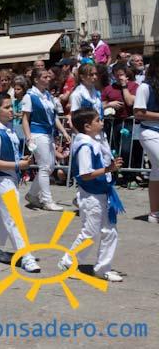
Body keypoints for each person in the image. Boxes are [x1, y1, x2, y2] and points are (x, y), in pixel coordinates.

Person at [58, 108, 124, 282]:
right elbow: (85, 174)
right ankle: (68, 262)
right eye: (98, 120)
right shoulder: (85, 146)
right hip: (91, 195)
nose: (101, 122)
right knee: (90, 232)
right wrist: (108, 169)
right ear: (87, 126)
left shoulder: (94, 141)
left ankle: (103, 268)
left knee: (110, 231)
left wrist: (110, 168)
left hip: (101, 191)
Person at [0, 94, 40, 273]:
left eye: (11, 107)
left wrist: (20, 160)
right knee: (13, 217)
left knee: (0, 215)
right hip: (0, 179)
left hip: (9, 177)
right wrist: (17, 165)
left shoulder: (9, 130)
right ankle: (26, 256)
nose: (11, 111)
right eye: (6, 107)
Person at [21, 68, 69, 211]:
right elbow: (25, 119)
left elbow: (54, 117)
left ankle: (32, 194)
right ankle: (47, 200)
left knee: (50, 167)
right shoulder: (29, 96)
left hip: (48, 134)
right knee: (45, 167)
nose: (48, 79)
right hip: (37, 134)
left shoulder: (48, 95)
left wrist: (63, 131)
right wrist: (29, 138)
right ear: (36, 80)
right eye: (45, 77)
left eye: (48, 77)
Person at [134, 51, 159, 224]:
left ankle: (154, 212)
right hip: (149, 132)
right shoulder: (144, 87)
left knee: (157, 170)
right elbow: (138, 113)